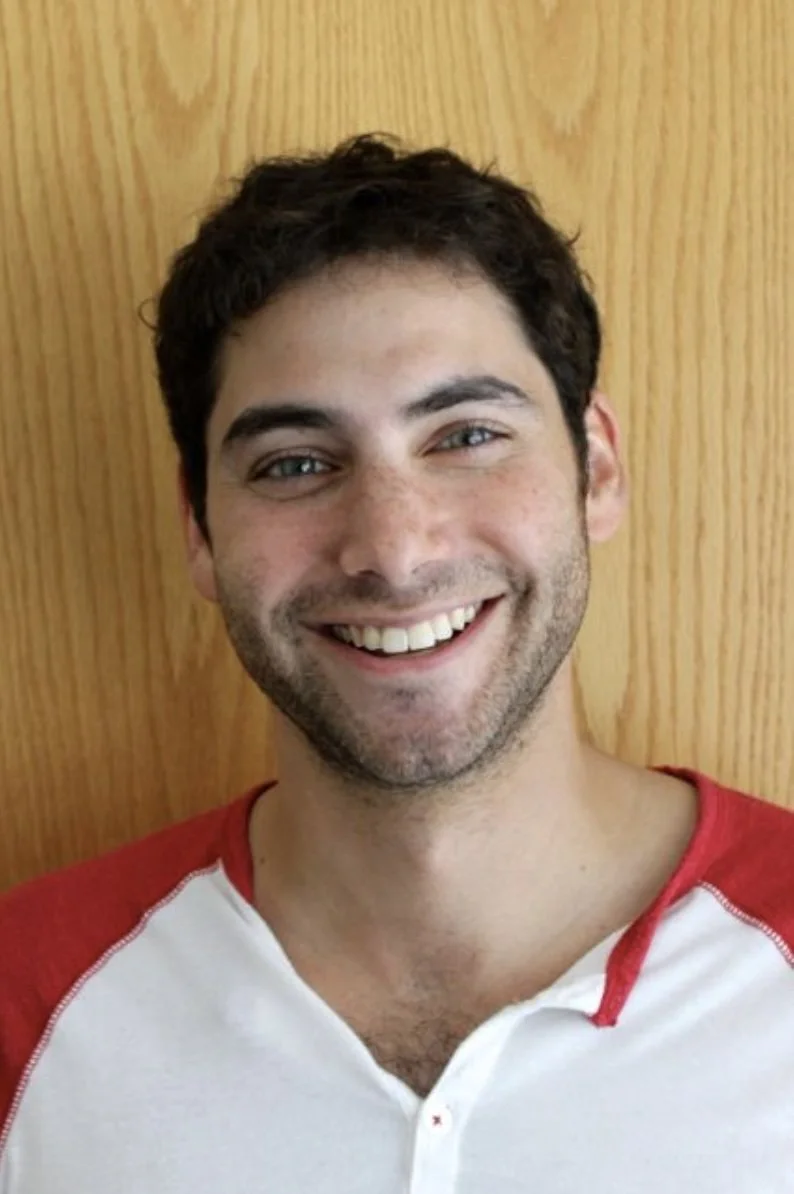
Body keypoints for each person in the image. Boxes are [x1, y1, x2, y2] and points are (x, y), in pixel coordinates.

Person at [1, 133, 792, 1193]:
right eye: (294, 463)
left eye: (464, 436)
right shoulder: (26, 1003)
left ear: (595, 466)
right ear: (198, 529)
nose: (392, 549)